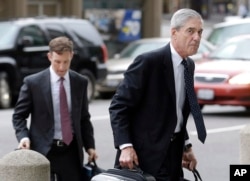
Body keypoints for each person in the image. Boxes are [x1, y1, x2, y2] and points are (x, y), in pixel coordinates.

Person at [109, 8, 206, 181]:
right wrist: (125, 146)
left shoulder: (189, 66)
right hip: (144, 157)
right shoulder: (148, 62)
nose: (197, 37)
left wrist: (186, 146)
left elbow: (176, 113)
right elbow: (119, 106)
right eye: (190, 31)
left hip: (173, 155)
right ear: (174, 33)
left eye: (199, 32)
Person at [12, 36, 98, 181]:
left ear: (71, 55)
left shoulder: (80, 82)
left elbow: (83, 118)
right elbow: (19, 116)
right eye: (57, 62)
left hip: (71, 151)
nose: (62, 67)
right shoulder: (33, 83)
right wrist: (24, 137)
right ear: (49, 56)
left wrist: (90, 146)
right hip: (44, 150)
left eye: (66, 62)